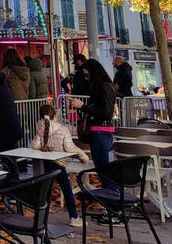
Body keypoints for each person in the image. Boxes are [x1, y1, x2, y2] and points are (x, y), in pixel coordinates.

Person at [31, 104, 89, 227]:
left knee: (45, 191)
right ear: (55, 116)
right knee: (67, 190)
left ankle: (42, 219)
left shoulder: (39, 127)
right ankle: (74, 217)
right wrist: (83, 157)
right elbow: (70, 148)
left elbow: (35, 145)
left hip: (45, 163)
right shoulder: (63, 129)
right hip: (59, 164)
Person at [69, 59, 116, 198]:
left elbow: (105, 112)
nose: (86, 78)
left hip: (101, 131)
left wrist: (83, 107)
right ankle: (112, 199)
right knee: (102, 171)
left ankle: (113, 199)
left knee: (103, 172)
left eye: (87, 75)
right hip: (100, 131)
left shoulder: (104, 87)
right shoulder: (103, 86)